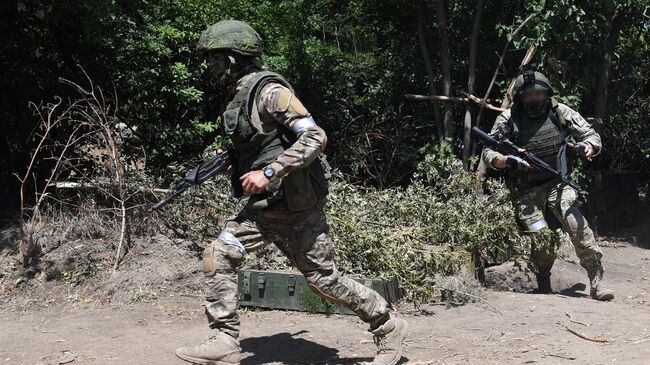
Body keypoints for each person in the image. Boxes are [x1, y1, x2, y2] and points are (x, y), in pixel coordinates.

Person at [174, 20, 408, 365]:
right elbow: (265, 144)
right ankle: (224, 339)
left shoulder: (270, 92)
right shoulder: (241, 96)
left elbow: (315, 137)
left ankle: (388, 327)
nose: (210, 65)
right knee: (217, 254)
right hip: (265, 210)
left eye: (215, 58)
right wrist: (238, 166)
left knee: (324, 282)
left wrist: (269, 172)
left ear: (235, 58)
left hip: (298, 209)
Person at [482, 70, 614, 301]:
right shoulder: (508, 118)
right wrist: (505, 161)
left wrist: (587, 147)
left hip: (557, 183)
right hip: (526, 191)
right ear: (521, 97)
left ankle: (596, 279)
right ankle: (543, 279)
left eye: (539, 93)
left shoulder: (560, 111)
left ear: (547, 93)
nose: (535, 99)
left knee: (576, 224)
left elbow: (591, 135)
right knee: (542, 237)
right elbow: (488, 150)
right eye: (529, 95)